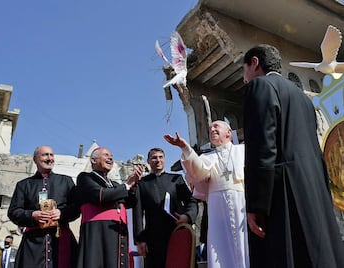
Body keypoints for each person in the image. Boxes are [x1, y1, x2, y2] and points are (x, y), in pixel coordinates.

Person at [242, 44, 344, 267]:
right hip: (313, 187)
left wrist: (257, 205)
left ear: (254, 63)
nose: (244, 78)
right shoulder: (302, 97)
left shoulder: (260, 86)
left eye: (244, 70)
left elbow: (262, 148)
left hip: (284, 192)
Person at [165, 120, 249, 268]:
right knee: (219, 246)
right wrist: (185, 147)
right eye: (210, 128)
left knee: (245, 243)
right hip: (217, 207)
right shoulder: (208, 157)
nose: (212, 129)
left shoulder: (243, 151)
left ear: (229, 132)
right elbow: (198, 171)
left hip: (241, 202)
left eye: (216, 126)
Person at [8, 145, 80, 268]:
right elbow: (13, 212)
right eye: (45, 155)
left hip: (61, 239)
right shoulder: (24, 185)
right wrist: (32, 215)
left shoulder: (66, 181)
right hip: (33, 243)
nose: (49, 158)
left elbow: (76, 208)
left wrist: (61, 213)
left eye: (51, 155)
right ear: (35, 159)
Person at [76, 147, 144, 268]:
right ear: (93, 160)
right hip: (97, 234)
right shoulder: (85, 178)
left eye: (111, 156)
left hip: (117, 233)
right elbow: (101, 196)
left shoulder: (114, 184)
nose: (111, 158)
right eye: (106, 155)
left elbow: (130, 202)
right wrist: (127, 185)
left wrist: (133, 186)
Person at [133, 147, 198, 268]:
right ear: (148, 161)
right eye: (154, 157)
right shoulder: (142, 183)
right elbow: (137, 213)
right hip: (153, 239)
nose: (158, 160)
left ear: (165, 160)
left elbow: (192, 201)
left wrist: (187, 216)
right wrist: (140, 240)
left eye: (160, 157)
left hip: (177, 232)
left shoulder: (176, 179)